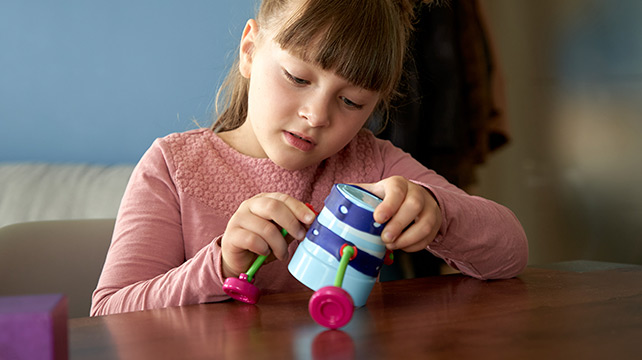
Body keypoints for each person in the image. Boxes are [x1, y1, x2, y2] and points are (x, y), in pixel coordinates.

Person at [91, 0, 528, 316]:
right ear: (249, 51)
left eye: (352, 102)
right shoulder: (174, 166)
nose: (316, 116)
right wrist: (221, 262)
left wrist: (438, 211)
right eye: (298, 78)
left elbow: (512, 254)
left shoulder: (372, 166)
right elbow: (110, 314)